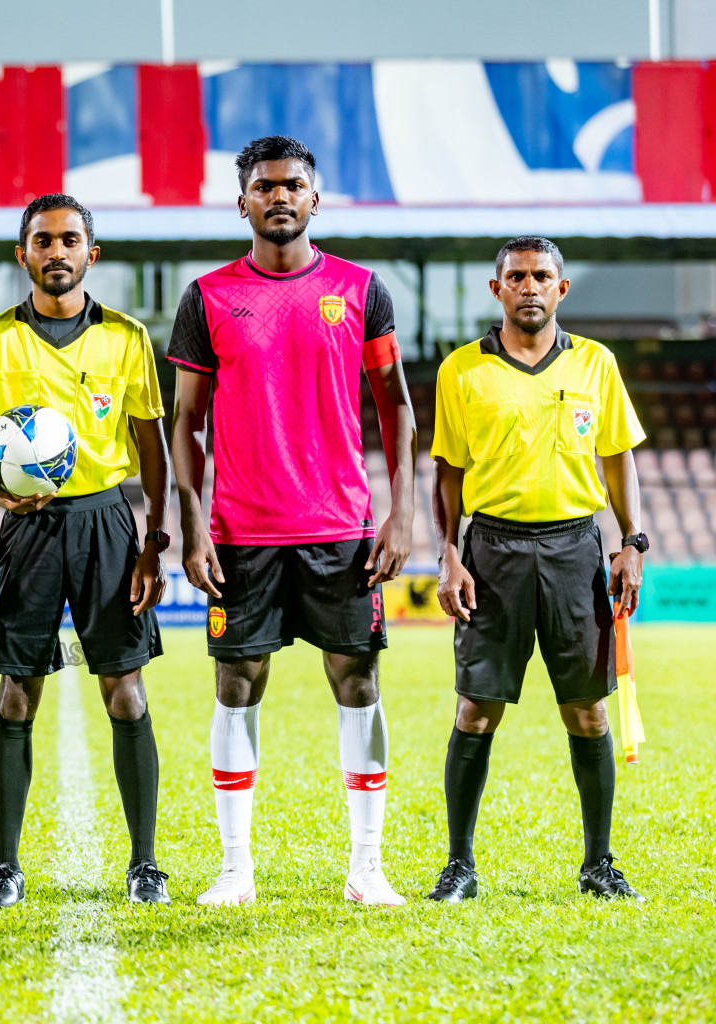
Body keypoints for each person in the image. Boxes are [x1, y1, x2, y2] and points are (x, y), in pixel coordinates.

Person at [170, 136, 416, 907]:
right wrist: (192, 524)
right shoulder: (207, 296)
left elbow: (397, 406)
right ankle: (235, 870)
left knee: (358, 679)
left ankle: (367, 867)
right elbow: (185, 423)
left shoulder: (361, 288)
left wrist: (400, 515)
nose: (280, 197)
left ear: (316, 198)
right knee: (237, 683)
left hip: (341, 528)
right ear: (241, 200)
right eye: (265, 187)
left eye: (294, 186)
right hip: (242, 532)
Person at [0, 194, 171, 907]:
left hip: (109, 523)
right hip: (29, 530)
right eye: (43, 241)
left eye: (70, 240)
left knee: (125, 692)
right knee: (17, 692)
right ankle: (6, 866)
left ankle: (145, 865)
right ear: (23, 254)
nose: (57, 252)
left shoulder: (127, 337)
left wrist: (155, 541)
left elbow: (152, 446)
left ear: (91, 254)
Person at [428, 236, 647, 903]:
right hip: (492, 552)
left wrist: (631, 540)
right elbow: (447, 472)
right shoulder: (462, 371)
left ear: (561, 288)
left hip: (577, 551)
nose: (530, 286)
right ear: (496, 290)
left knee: (587, 713)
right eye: (516, 277)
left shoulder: (596, 365)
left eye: (542, 276)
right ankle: (460, 866)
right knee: (476, 710)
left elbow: (618, 459)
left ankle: (598, 864)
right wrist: (449, 553)